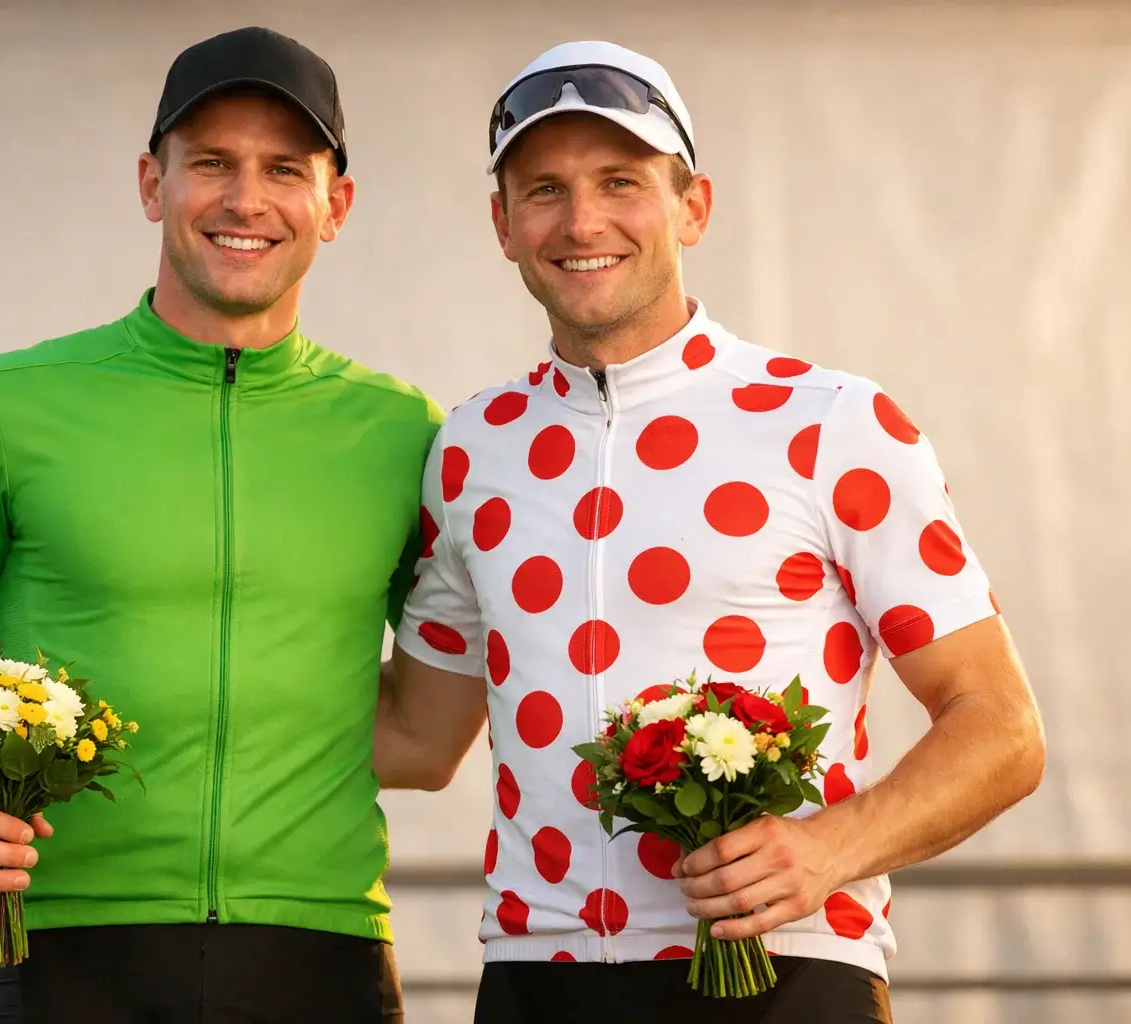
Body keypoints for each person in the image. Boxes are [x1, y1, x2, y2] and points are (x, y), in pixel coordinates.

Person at [374, 39, 1046, 1022]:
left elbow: (1002, 727)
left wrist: (829, 848)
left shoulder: (835, 422)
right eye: (545, 189)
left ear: (694, 206)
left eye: (621, 181)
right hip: (535, 974)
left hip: (786, 968)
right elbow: (417, 738)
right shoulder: (473, 446)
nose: (582, 221)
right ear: (502, 225)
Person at [0, 26, 439, 1024]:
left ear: (337, 206)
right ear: (153, 184)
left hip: (324, 955)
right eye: (212, 163)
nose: (245, 199)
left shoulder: (406, 434)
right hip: (66, 958)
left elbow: (434, 726)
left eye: (285, 168)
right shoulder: (3, 407)